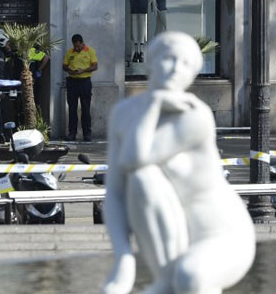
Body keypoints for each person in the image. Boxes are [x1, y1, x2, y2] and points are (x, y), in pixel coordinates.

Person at [103, 32, 254, 294]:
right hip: (174, 241)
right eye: (169, 58)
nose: (176, 70)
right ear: (151, 61)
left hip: (224, 234)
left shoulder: (194, 115)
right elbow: (115, 193)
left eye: (186, 64)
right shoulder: (123, 114)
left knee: (190, 276)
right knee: (142, 178)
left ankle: (170, 279)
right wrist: (123, 258)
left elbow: (135, 156)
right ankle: (165, 276)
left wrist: (155, 103)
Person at [62, 34, 97, 141]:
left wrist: (83, 70)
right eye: (75, 46)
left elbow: (95, 66)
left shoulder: (90, 51)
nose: (76, 48)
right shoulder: (69, 52)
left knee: (85, 108)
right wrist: (70, 70)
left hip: (84, 82)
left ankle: (87, 133)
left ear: (82, 43)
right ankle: (72, 133)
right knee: (72, 108)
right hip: (72, 82)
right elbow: (64, 65)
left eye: (78, 46)